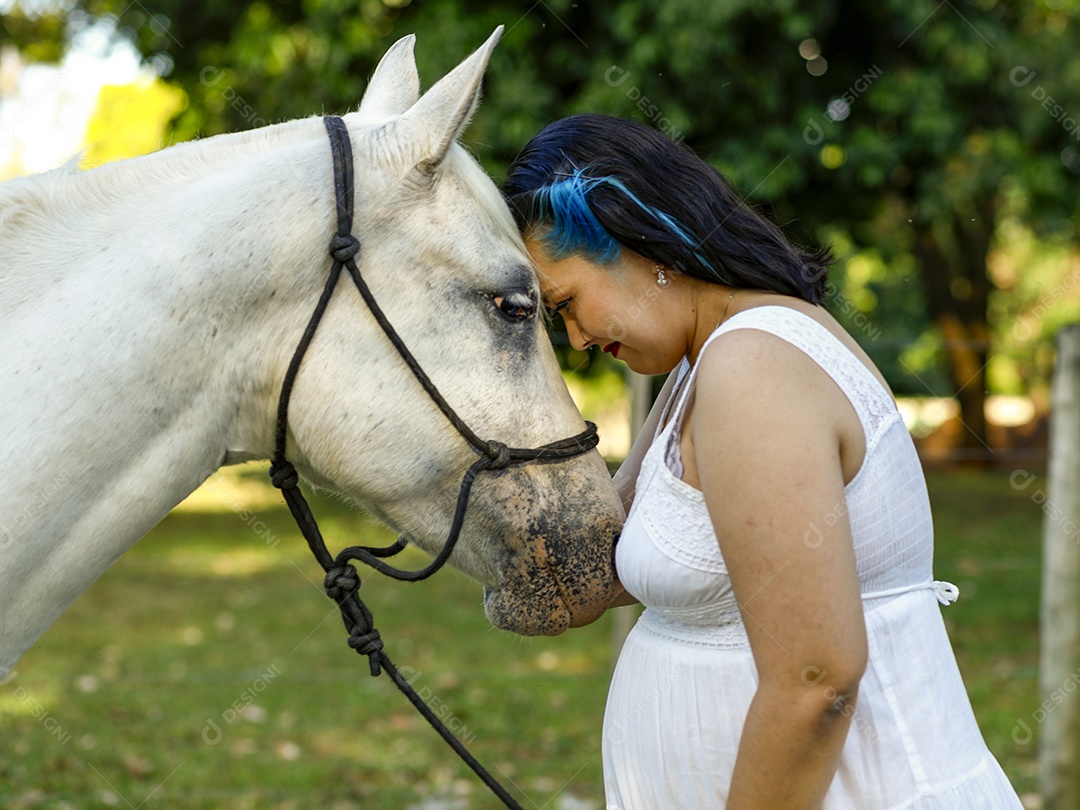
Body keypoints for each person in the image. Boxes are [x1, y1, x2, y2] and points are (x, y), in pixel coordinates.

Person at [502, 113, 1024, 809]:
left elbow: (817, 682)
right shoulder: (701, 369)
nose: (575, 340)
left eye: (566, 304)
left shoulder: (754, 365)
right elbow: (603, 565)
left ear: (638, 243)